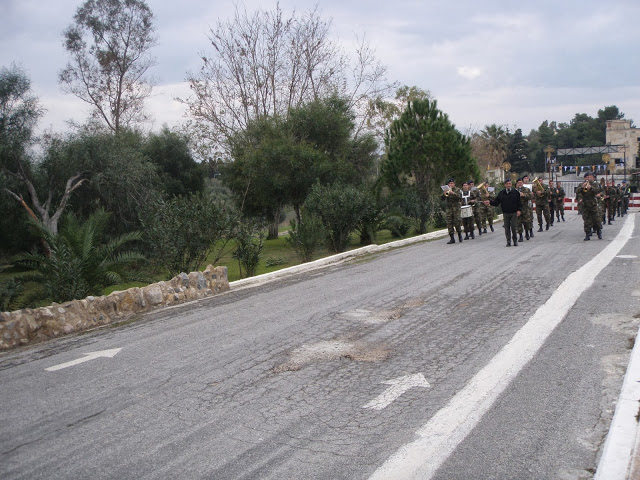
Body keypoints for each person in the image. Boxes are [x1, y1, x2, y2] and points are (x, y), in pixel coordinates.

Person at [490, 178, 522, 247]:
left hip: (514, 212)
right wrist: (489, 202)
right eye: (507, 184)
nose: (508, 185)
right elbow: (496, 202)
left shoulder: (515, 192)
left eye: (509, 184)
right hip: (506, 213)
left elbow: (519, 202)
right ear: (505, 185)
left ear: (511, 184)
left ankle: (515, 240)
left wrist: (519, 210)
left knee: (513, 227)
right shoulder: (502, 193)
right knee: (507, 228)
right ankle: (508, 241)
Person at [576, 171, 602, 240]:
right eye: (587, 177)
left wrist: (591, 188)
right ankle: (587, 234)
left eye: (589, 177)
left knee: (597, 219)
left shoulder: (595, 184)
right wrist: (582, 187)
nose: (588, 178)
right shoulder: (582, 184)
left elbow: (597, 191)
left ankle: (599, 231)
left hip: (593, 204)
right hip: (585, 205)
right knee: (586, 220)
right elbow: (578, 191)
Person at [441, 178, 464, 244]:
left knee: (457, 222)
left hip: (456, 209)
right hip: (449, 209)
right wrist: (444, 193)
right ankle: (452, 238)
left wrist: (453, 193)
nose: (451, 185)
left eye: (452, 183)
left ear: (454, 184)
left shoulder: (458, 190)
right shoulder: (446, 190)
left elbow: (460, 198)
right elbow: (442, 198)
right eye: (449, 183)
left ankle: (459, 235)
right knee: (449, 223)